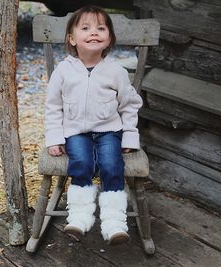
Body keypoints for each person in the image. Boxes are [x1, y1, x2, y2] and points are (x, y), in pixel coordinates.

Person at [44, 5, 143, 245]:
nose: (94, 33)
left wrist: (129, 137)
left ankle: (114, 221)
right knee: (81, 163)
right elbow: (53, 106)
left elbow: (130, 104)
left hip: (109, 130)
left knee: (111, 164)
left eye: (101, 28)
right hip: (75, 131)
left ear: (109, 38)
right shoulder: (63, 71)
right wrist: (55, 138)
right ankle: (79, 216)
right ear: (72, 38)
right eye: (85, 28)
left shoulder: (115, 71)